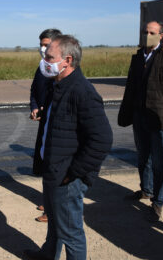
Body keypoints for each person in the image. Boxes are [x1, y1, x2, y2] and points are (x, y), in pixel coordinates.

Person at [24, 35, 113, 260]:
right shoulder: (57, 86)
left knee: (71, 232)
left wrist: (74, 173)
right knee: (55, 223)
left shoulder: (82, 92)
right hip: (53, 170)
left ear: (67, 60)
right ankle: (48, 255)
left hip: (67, 177)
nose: (44, 60)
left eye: (50, 57)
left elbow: (102, 139)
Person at [118, 21, 163, 221]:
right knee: (143, 157)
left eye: (151, 32)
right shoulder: (137, 57)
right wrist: (127, 113)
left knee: (159, 162)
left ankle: (158, 201)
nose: (147, 35)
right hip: (139, 116)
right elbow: (130, 87)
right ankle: (145, 190)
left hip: (160, 118)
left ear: (161, 35)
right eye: (145, 32)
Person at [30, 28, 62, 224]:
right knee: (44, 161)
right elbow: (34, 89)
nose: (43, 48)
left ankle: (53, 209)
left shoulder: (60, 69)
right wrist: (35, 107)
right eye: (41, 44)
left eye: (47, 44)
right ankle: (47, 200)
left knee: (53, 165)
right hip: (44, 121)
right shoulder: (43, 66)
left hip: (57, 124)